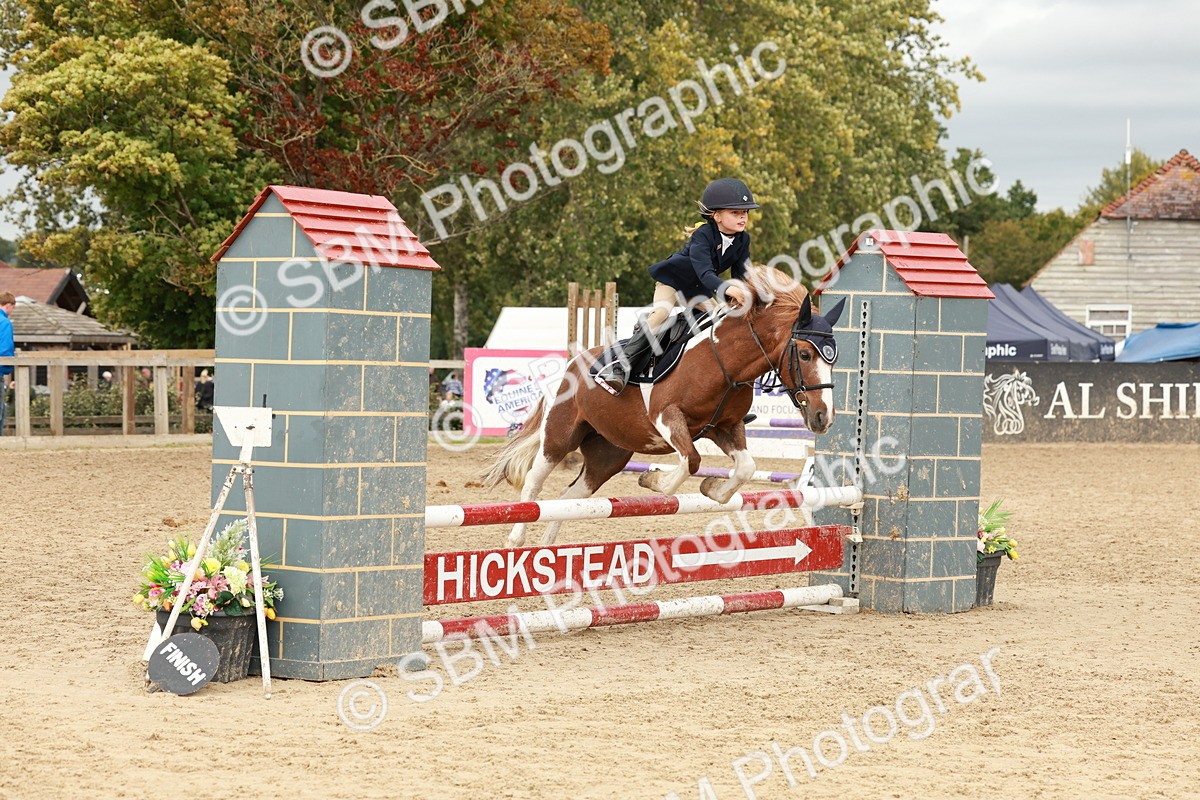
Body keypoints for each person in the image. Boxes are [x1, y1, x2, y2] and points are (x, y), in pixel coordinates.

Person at [593, 178, 759, 395]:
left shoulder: (742, 239)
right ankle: (619, 367)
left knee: (721, 323)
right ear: (716, 216)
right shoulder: (703, 235)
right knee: (661, 314)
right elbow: (706, 274)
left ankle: (723, 397)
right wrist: (729, 290)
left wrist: (743, 297)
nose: (743, 217)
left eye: (745, 213)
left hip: (696, 290)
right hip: (673, 282)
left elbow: (741, 276)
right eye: (735, 213)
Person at [0, 292, 15, 435]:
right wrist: (7, 369)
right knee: (1, 412)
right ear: (9, 305)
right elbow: (5, 349)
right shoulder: (4, 322)